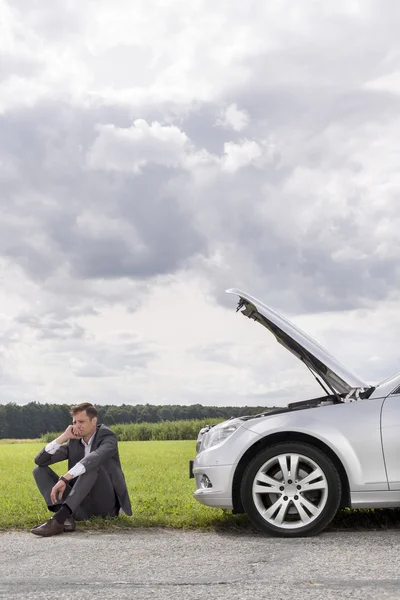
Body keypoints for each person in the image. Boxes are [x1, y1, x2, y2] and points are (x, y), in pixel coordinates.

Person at [31, 402, 132, 537]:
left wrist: (65, 477)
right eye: (74, 422)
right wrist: (63, 437)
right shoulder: (74, 441)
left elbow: (95, 457)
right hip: (79, 506)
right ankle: (66, 519)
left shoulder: (108, 437)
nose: (77, 425)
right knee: (39, 470)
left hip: (105, 505)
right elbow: (40, 461)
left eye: (81, 421)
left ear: (94, 421)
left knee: (91, 466)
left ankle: (58, 519)